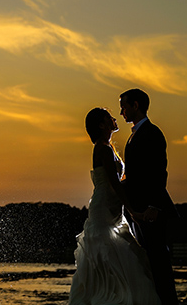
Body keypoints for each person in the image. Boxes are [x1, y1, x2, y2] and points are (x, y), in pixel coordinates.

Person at [69, 107, 161, 305]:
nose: (114, 118)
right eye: (109, 117)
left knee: (123, 256)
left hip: (113, 207)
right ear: (102, 125)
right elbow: (114, 184)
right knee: (109, 255)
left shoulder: (108, 147)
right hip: (104, 208)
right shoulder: (102, 148)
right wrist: (132, 211)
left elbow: (120, 183)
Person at [119, 88, 178, 305]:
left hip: (150, 210)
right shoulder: (134, 135)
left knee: (158, 260)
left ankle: (169, 302)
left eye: (124, 106)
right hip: (137, 211)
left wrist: (154, 205)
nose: (121, 111)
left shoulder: (152, 133)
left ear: (136, 105)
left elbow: (159, 171)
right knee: (147, 260)